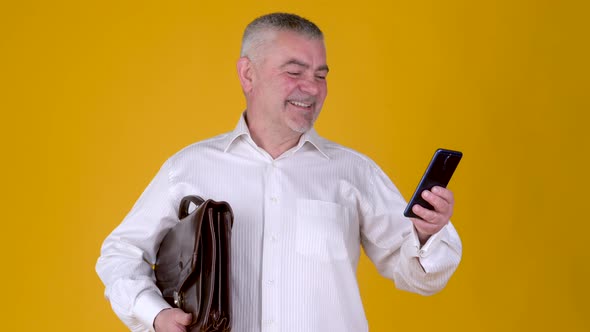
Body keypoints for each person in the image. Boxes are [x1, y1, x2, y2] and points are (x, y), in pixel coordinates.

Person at [96, 12, 462, 332]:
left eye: (321, 75)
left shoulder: (354, 172)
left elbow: (419, 278)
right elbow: (120, 253)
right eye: (294, 72)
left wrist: (428, 234)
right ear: (248, 74)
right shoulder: (189, 168)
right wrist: (155, 314)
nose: (312, 89)